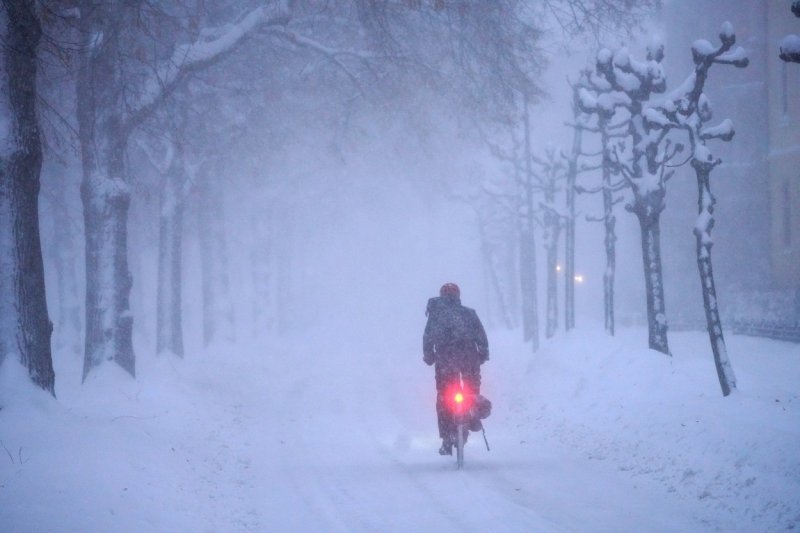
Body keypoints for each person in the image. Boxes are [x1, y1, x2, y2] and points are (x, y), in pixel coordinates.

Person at [423, 282, 489, 455]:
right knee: (472, 392)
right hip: (469, 359)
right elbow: (481, 336)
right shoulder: (469, 314)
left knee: (444, 397)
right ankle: (472, 416)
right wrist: (483, 354)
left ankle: (447, 438)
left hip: (446, 361)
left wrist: (429, 356)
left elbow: (428, 338)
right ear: (458, 296)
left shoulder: (436, 315)